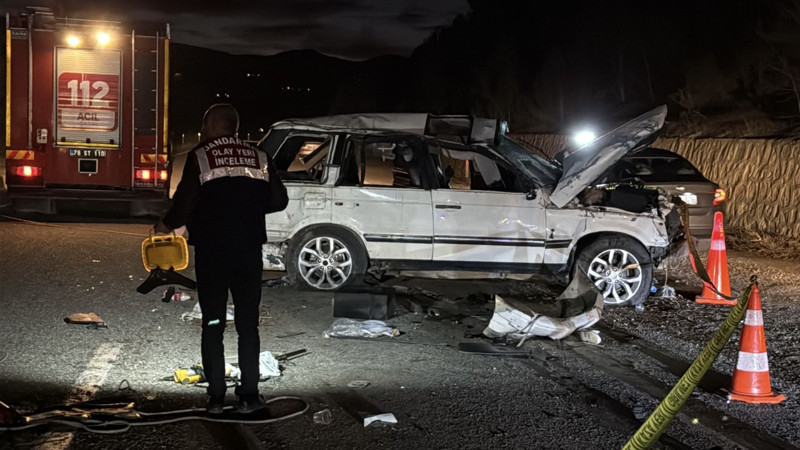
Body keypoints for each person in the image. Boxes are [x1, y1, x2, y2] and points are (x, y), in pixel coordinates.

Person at [155, 104, 288, 414]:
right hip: (248, 252)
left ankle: (216, 396)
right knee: (247, 324)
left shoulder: (201, 155)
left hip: (214, 253)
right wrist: (248, 208)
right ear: (235, 128)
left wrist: (166, 224)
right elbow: (278, 200)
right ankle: (249, 395)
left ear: (212, 125)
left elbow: (185, 203)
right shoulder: (258, 156)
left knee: (213, 323)